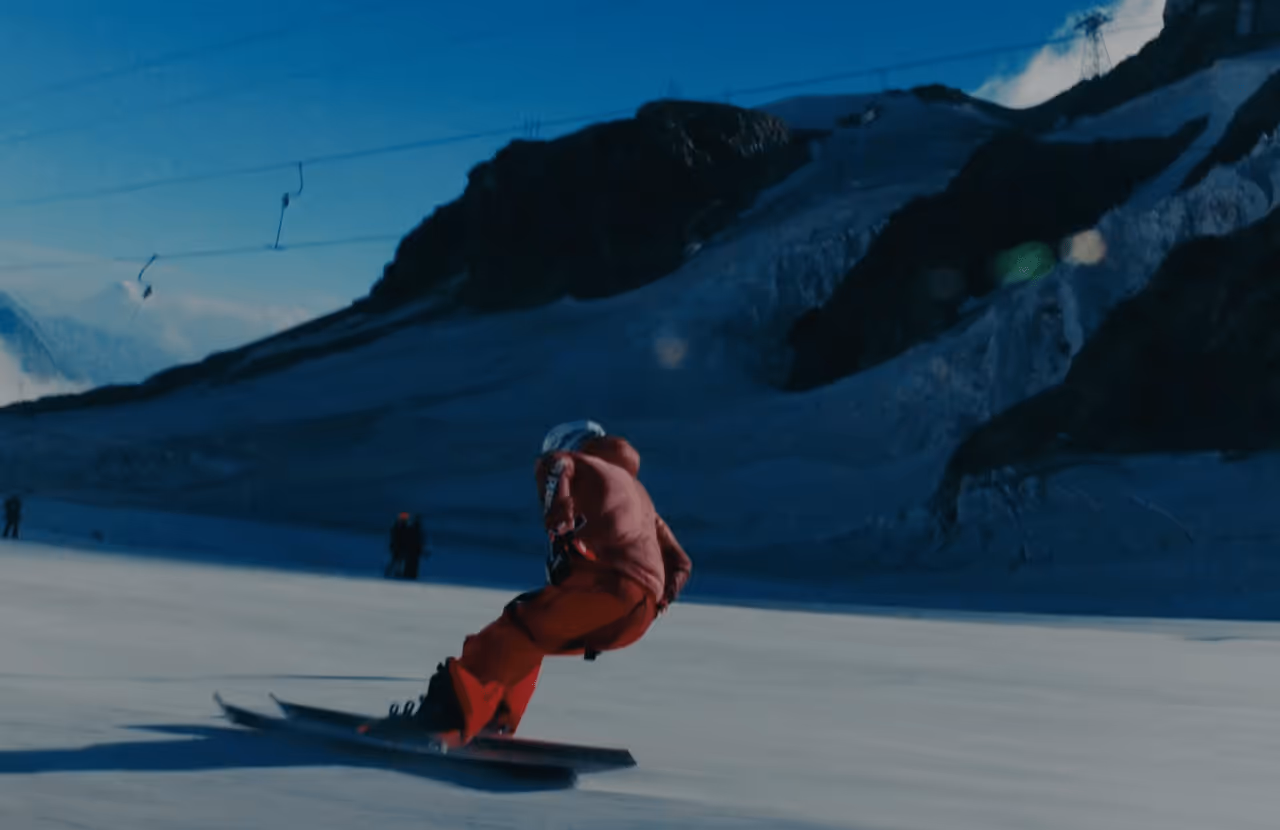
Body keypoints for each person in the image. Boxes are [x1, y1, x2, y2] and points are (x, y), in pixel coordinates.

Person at [363, 420, 692, 746]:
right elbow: (681, 563)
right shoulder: (641, 496)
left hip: (604, 589)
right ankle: (496, 722)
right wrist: (660, 599)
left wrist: (559, 524)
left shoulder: (572, 461)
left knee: (510, 634)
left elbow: (557, 468)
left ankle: (441, 719)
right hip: (638, 613)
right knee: (530, 632)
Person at [386, 512, 425, 580]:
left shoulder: (405, 528)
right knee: (399, 561)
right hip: (402, 548)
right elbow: (399, 538)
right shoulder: (407, 528)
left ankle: (397, 573)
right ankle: (397, 573)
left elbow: (399, 538)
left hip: (403, 548)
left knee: (398, 561)